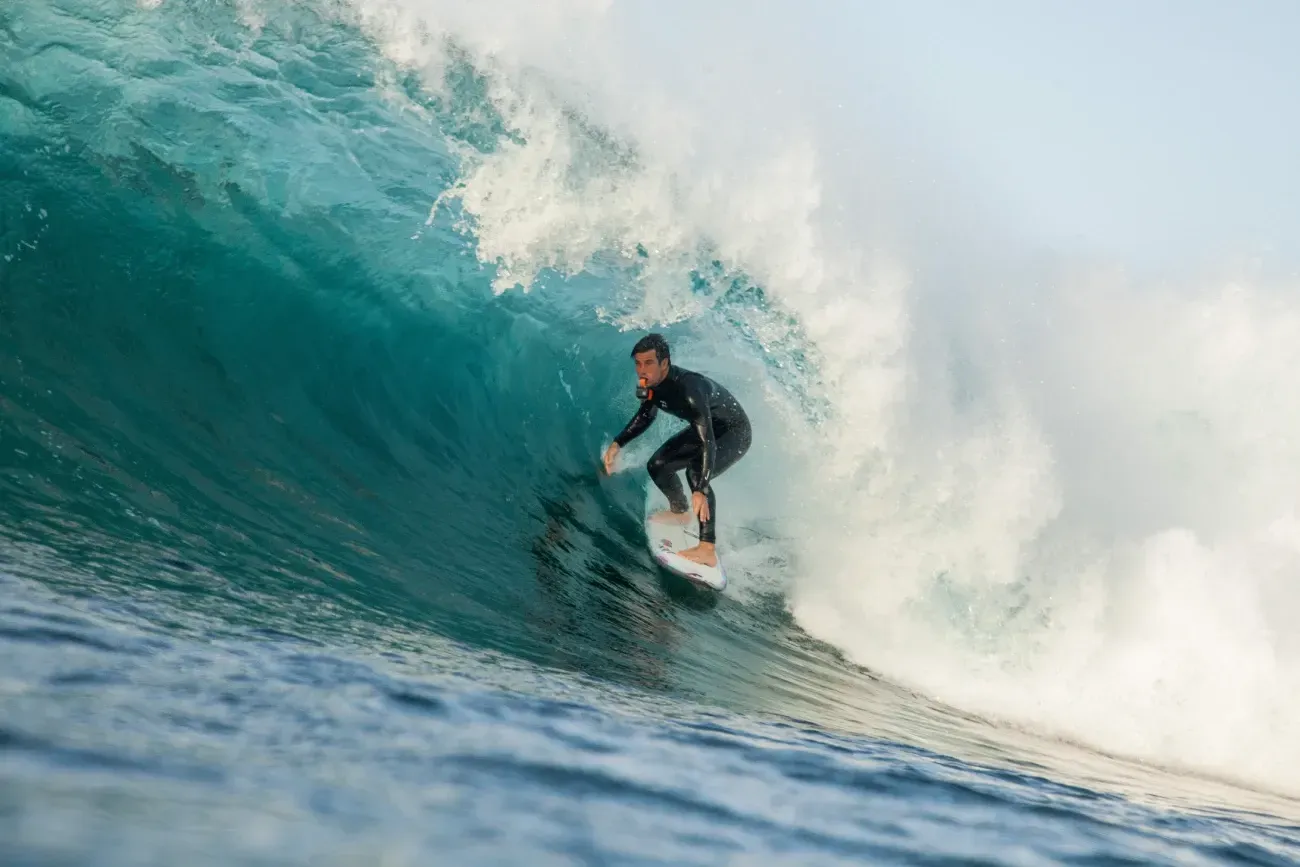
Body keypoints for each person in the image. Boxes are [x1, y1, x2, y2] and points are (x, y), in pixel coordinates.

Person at [602, 333, 752, 567]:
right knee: (658, 465)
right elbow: (646, 415)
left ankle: (707, 547)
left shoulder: (690, 390)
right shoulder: (650, 384)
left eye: (649, 363)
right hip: (708, 428)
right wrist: (617, 443)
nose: (642, 370)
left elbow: (708, 441)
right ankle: (680, 511)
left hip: (734, 431)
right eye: (638, 364)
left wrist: (701, 487)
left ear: (665, 363)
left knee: (695, 473)